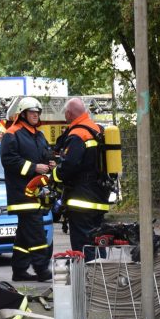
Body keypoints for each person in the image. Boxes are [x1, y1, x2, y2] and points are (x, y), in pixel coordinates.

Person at [0, 96, 55, 282]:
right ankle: (42, 269)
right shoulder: (12, 134)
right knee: (36, 232)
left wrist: (51, 161)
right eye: (32, 112)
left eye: (37, 112)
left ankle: (19, 270)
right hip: (21, 193)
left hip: (36, 193)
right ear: (22, 114)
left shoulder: (38, 134)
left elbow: (45, 154)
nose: (35, 115)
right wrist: (34, 167)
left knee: (24, 235)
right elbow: (9, 161)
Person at [51, 97, 111, 259]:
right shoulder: (97, 129)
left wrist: (53, 174)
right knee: (98, 239)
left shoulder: (78, 133)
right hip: (100, 194)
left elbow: (68, 166)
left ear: (69, 114)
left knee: (83, 243)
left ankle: (88, 279)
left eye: (65, 113)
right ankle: (102, 277)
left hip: (81, 199)